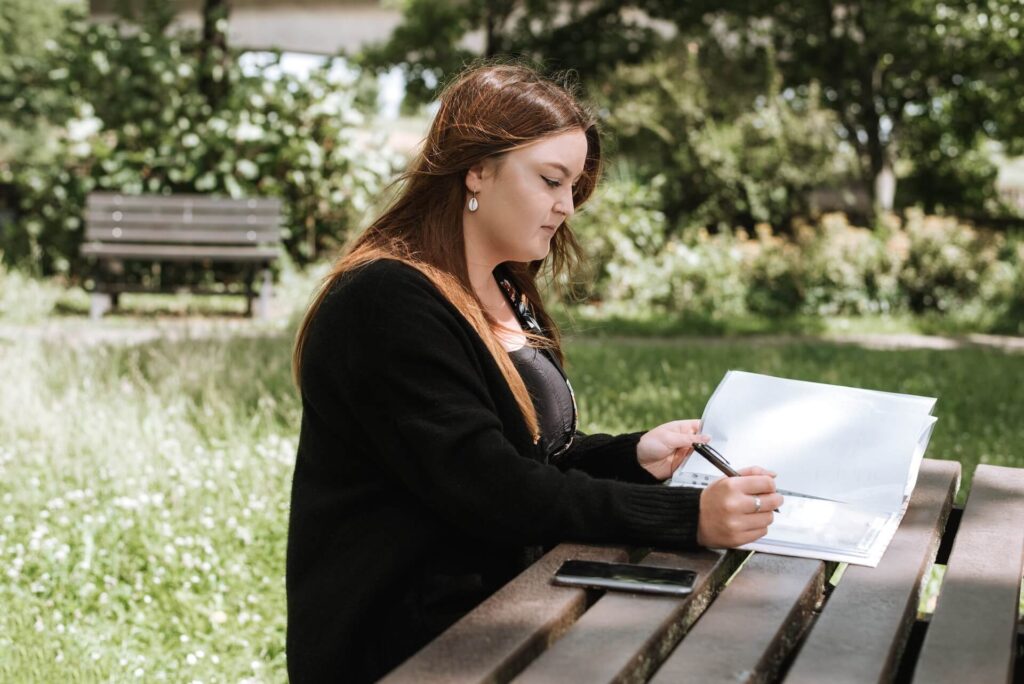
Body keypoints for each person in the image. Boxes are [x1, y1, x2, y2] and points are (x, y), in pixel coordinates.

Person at [285, 61, 782, 683]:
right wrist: (688, 519)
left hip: (516, 605)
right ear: (477, 168)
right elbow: (491, 490)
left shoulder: (502, 288)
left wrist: (633, 456)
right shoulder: (385, 301)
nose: (566, 206)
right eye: (551, 180)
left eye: (573, 186)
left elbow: (529, 459)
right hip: (412, 645)